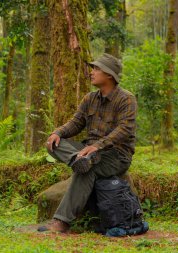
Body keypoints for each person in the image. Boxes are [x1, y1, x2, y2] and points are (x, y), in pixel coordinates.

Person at [37, 53, 138, 233]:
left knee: (87, 170)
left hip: (116, 156)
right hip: (88, 152)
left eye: (96, 69)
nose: (91, 72)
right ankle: (81, 158)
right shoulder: (89, 98)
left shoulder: (126, 99)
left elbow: (125, 130)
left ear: (109, 74)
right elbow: (75, 123)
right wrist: (57, 132)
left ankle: (61, 221)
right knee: (53, 144)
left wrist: (97, 146)